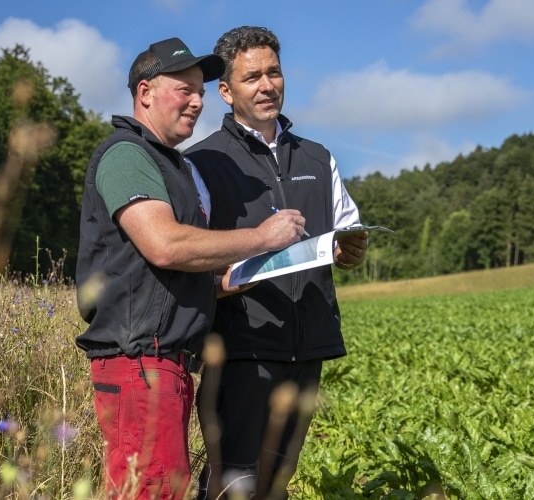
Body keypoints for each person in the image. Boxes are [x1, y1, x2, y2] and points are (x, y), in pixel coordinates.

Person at [75, 37, 308, 500]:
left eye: (200, 90)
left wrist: (231, 279)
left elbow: (169, 273)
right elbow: (163, 246)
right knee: (153, 491)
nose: (198, 100)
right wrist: (262, 237)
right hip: (139, 362)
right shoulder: (127, 154)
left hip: (166, 365)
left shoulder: (172, 166)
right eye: (184, 89)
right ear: (145, 93)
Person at [184, 26, 369, 499]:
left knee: (275, 484)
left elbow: (346, 233)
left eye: (274, 72)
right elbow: (190, 255)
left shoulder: (318, 156)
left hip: (308, 346)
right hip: (242, 349)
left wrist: (351, 252)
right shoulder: (202, 162)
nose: (267, 85)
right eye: (252, 78)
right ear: (225, 91)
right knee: (235, 482)